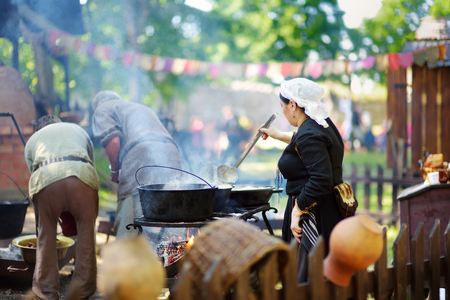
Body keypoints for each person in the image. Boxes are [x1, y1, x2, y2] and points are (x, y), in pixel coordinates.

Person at [259, 78, 344, 283]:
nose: (283, 111)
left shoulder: (310, 133)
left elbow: (321, 180)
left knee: (308, 279)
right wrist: (278, 135)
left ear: (293, 104)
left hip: (313, 216)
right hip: (328, 209)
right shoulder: (321, 123)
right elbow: (309, 142)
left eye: (283, 106)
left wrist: (298, 210)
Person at [24, 115, 99, 300]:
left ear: (39, 129)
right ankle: (81, 292)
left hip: (47, 177)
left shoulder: (34, 139)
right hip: (82, 176)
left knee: (46, 235)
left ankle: (47, 292)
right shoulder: (77, 130)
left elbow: (34, 174)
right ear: (59, 124)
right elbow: (91, 161)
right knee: (86, 234)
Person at [91, 91, 182, 238]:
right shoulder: (142, 108)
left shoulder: (103, 108)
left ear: (99, 104)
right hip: (171, 158)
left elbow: (113, 141)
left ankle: (129, 257)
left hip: (141, 160)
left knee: (131, 221)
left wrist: (115, 171)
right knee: (167, 225)